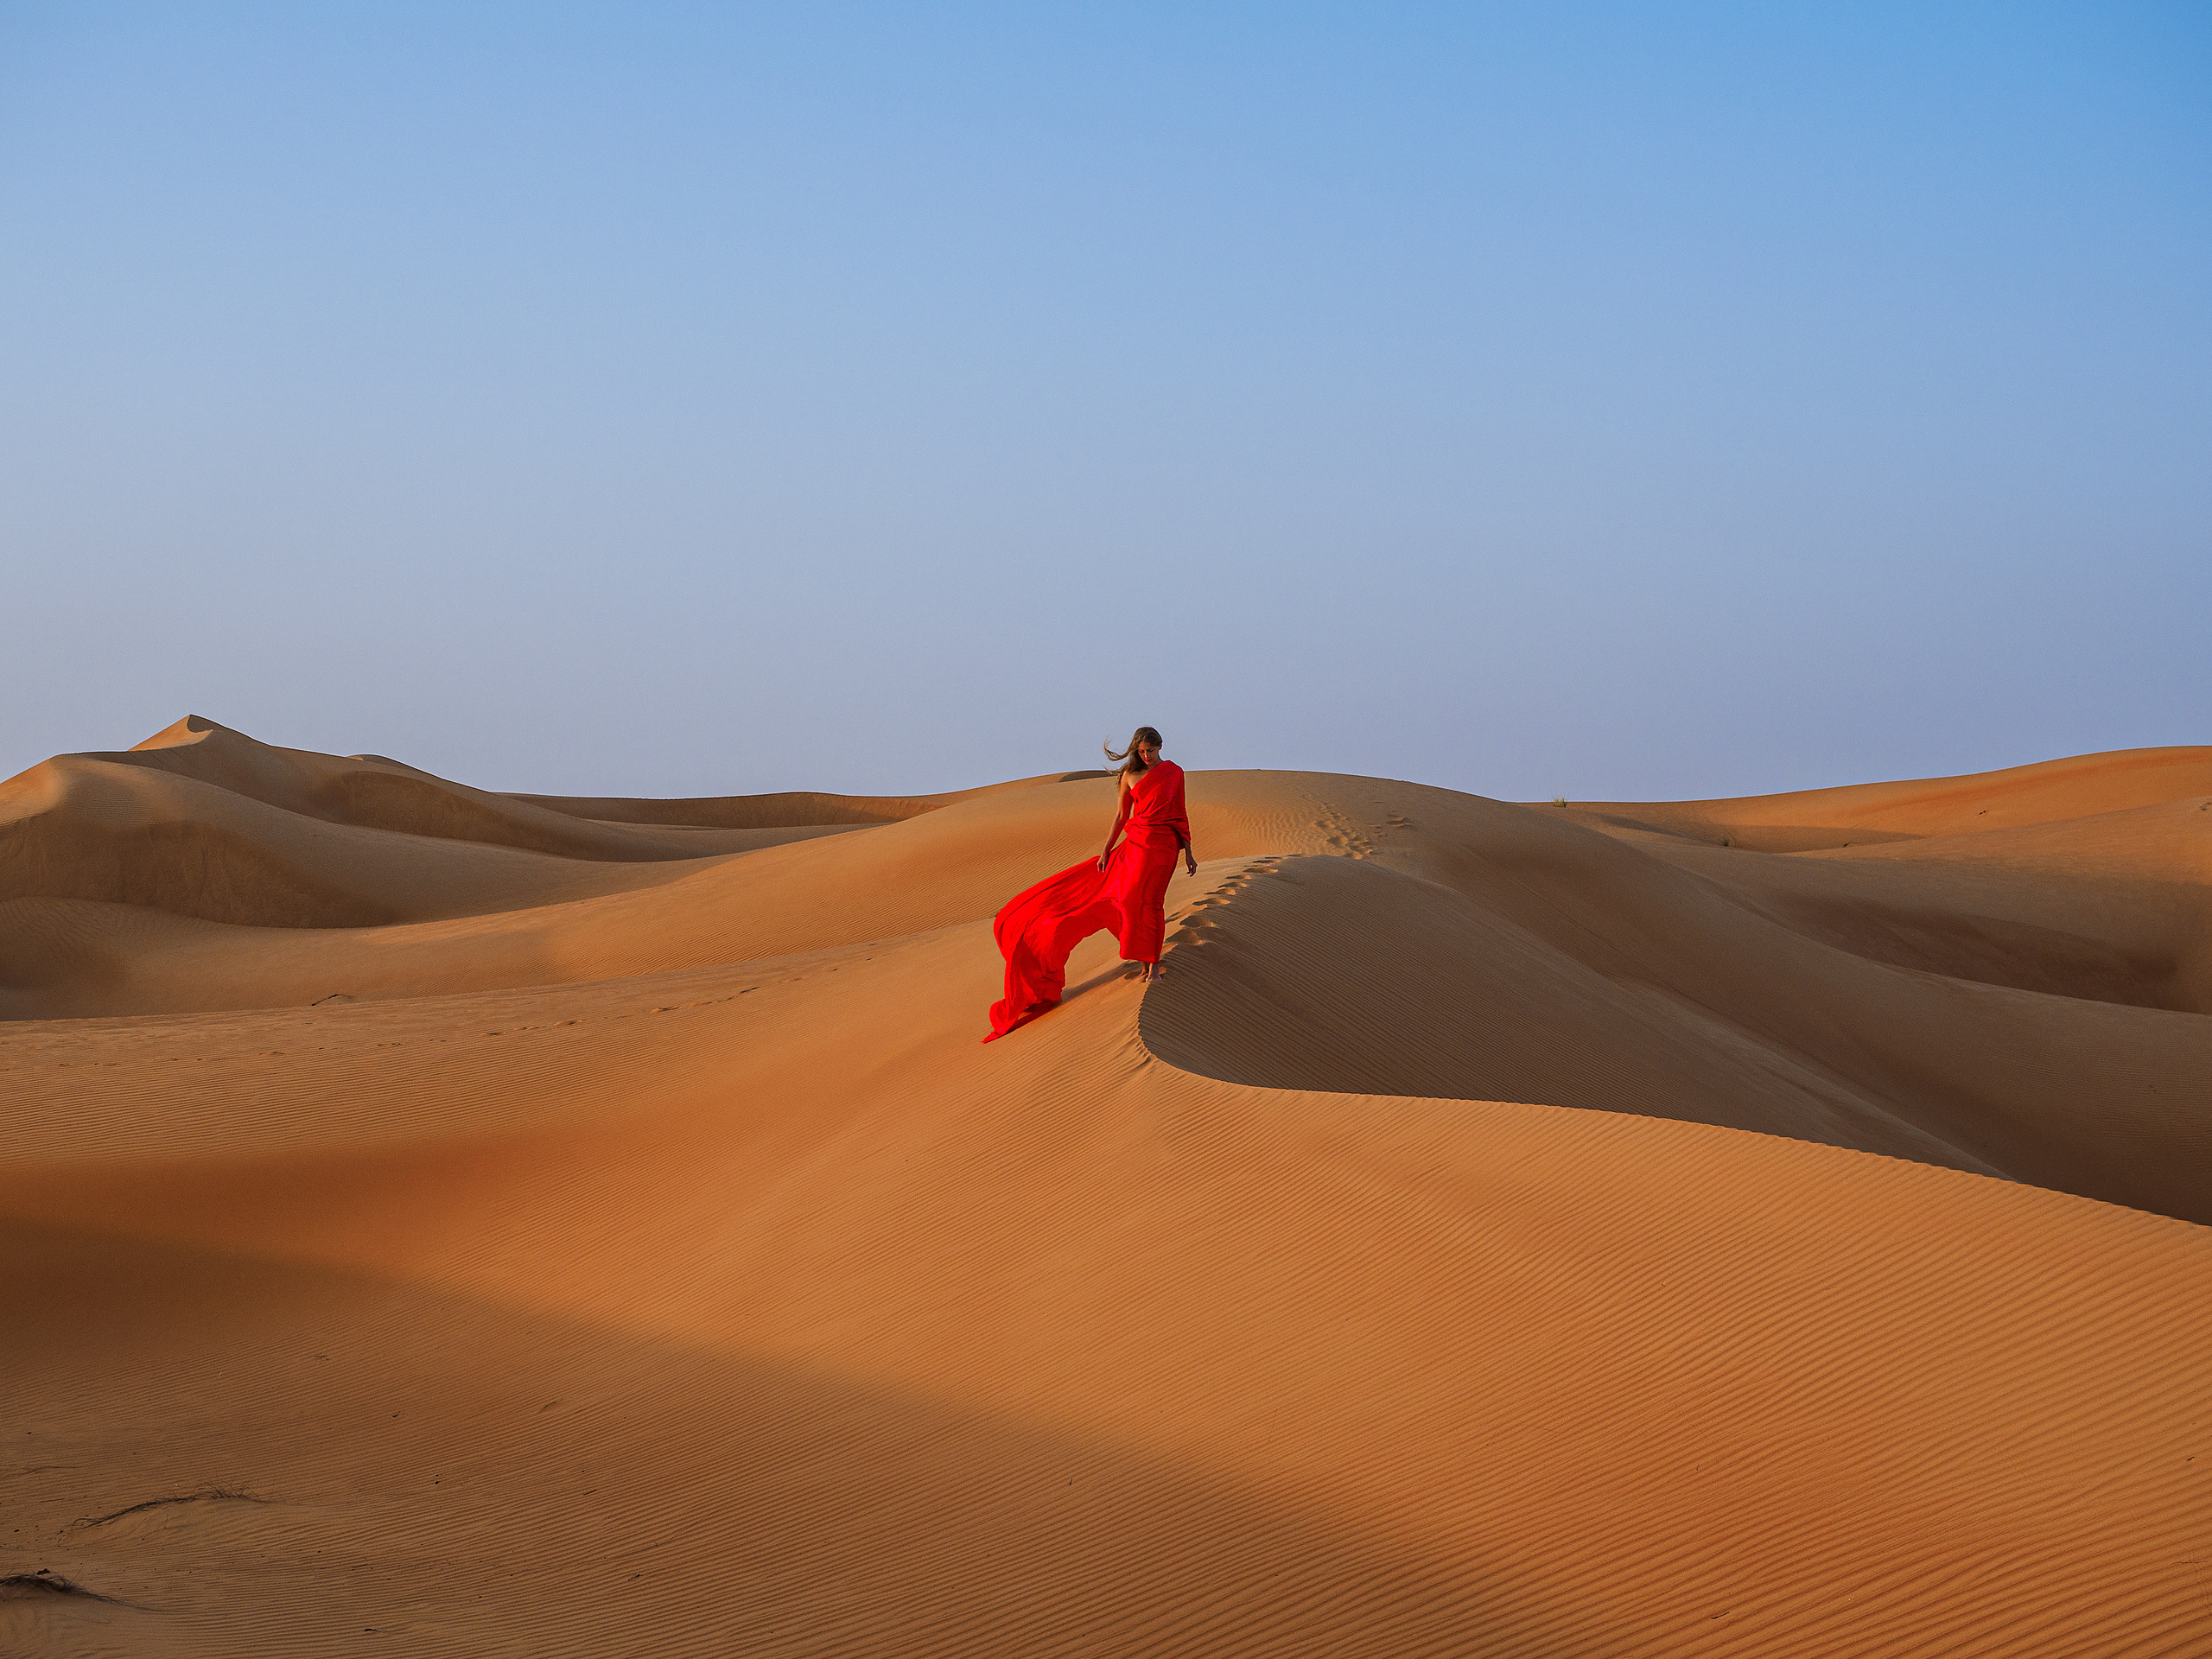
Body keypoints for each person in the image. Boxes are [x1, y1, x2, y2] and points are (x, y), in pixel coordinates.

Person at [984, 726, 1198, 1041]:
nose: (1146, 756)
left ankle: (1152, 967)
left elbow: (1180, 814)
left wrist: (1189, 852)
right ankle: (1143, 961)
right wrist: (1106, 849)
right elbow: (1121, 816)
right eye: (1141, 752)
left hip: (1164, 847)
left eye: (1150, 751)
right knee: (1127, 900)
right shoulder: (1129, 776)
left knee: (1151, 901)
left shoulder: (1173, 773)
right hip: (1137, 845)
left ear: (1161, 747)